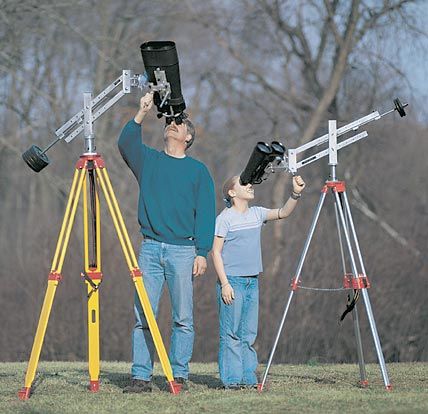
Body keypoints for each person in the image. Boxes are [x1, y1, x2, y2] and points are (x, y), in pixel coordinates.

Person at [118, 92, 215, 392]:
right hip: (149, 248)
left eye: (180, 123)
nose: (173, 124)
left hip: (184, 250)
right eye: (171, 122)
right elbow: (125, 144)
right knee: (143, 315)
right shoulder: (149, 161)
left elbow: (207, 214)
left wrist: (202, 252)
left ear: (188, 137)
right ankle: (141, 376)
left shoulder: (198, 171)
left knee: (183, 318)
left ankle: (179, 375)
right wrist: (141, 112)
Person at [211, 174, 306, 389]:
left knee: (248, 334)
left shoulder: (257, 213)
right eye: (244, 184)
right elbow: (216, 253)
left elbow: (283, 212)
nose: (250, 185)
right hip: (232, 283)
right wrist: (225, 284)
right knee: (231, 333)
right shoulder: (224, 219)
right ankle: (232, 381)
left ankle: (248, 378)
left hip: (252, 282)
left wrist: (295, 194)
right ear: (232, 193)